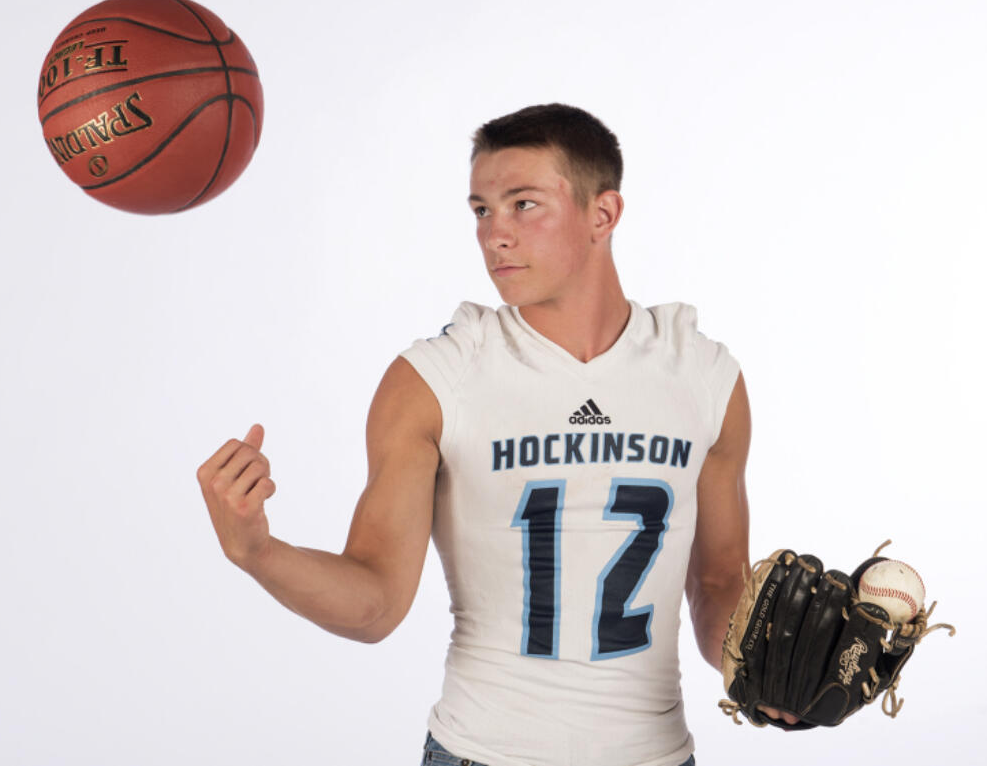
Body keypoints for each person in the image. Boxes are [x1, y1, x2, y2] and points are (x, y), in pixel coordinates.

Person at [196, 104, 786, 766]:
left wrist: (768, 668)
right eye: (481, 210)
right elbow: (376, 602)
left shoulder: (704, 373)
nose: (494, 235)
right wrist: (257, 549)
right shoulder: (437, 377)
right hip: (484, 753)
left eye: (523, 204)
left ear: (603, 214)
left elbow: (715, 588)